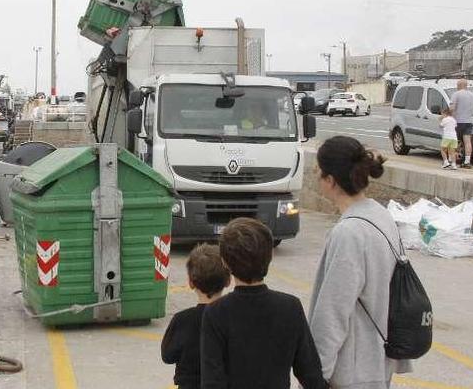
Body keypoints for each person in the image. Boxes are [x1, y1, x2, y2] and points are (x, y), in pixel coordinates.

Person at [309, 136, 412, 388]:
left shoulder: (349, 233)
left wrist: (315, 374)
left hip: (352, 371)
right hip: (378, 362)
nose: (315, 173)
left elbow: (332, 313)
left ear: (330, 180)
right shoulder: (381, 215)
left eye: (318, 169)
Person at [201, 218, 327, 389]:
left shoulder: (215, 313)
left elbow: (212, 382)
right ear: (270, 256)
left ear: (225, 262)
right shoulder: (290, 307)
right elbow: (310, 374)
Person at [161, 244, 231, 389]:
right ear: (228, 281)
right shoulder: (234, 318)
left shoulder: (182, 320)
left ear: (191, 283)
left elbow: (167, 356)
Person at [450, 79, 473, 168]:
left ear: (460, 85)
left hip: (458, 121)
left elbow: (452, 108)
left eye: (457, 85)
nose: (456, 86)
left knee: (455, 141)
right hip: (469, 121)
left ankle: (452, 160)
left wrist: (452, 119)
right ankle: (467, 161)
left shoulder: (456, 94)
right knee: (467, 141)